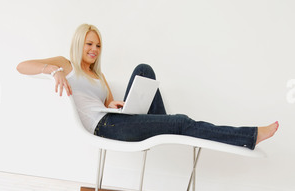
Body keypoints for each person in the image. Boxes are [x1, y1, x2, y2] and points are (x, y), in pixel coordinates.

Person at [17, 24, 279, 149]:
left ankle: (166, 125)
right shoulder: (66, 64)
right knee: (181, 121)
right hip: (105, 127)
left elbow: (107, 102)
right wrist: (52, 71)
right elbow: (22, 66)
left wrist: (113, 103)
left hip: (113, 118)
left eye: (98, 45)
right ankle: (249, 136)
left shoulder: (99, 75)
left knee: (144, 69)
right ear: (78, 44)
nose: (94, 50)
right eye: (89, 44)